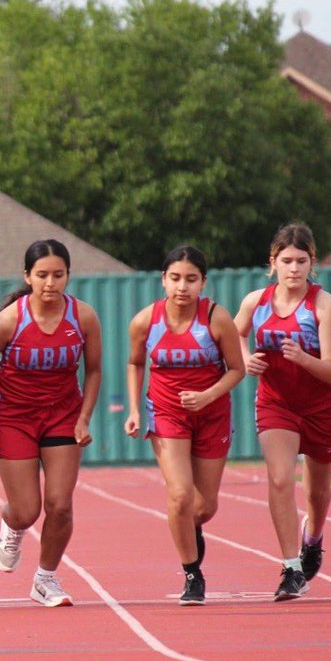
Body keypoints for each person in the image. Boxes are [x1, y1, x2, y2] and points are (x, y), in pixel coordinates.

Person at [0, 239, 102, 607]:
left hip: (62, 415)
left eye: (58, 275)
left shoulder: (84, 317)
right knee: (27, 510)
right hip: (13, 418)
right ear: (27, 276)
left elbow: (93, 371)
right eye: (42, 275)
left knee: (59, 504)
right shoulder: (10, 320)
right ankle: (11, 526)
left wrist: (84, 418)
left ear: (67, 277)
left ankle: (46, 578)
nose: (50, 283)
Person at [125, 246, 244, 605]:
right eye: (175, 278)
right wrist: (133, 409)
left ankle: (193, 529)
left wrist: (207, 396)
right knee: (179, 495)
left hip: (211, 412)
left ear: (203, 282)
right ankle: (192, 573)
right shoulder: (146, 321)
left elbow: (237, 369)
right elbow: (134, 363)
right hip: (166, 412)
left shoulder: (216, 319)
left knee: (203, 506)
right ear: (163, 280)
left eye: (191, 279)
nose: (182, 287)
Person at [233, 223, 331, 602]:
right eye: (286, 261)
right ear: (272, 262)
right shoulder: (255, 302)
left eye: (301, 260)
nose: (293, 268)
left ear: (312, 263)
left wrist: (303, 358)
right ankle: (291, 567)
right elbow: (235, 336)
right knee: (280, 480)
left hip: (321, 406)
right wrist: (246, 361)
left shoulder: (323, 304)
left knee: (317, 492)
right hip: (276, 403)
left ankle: (312, 539)